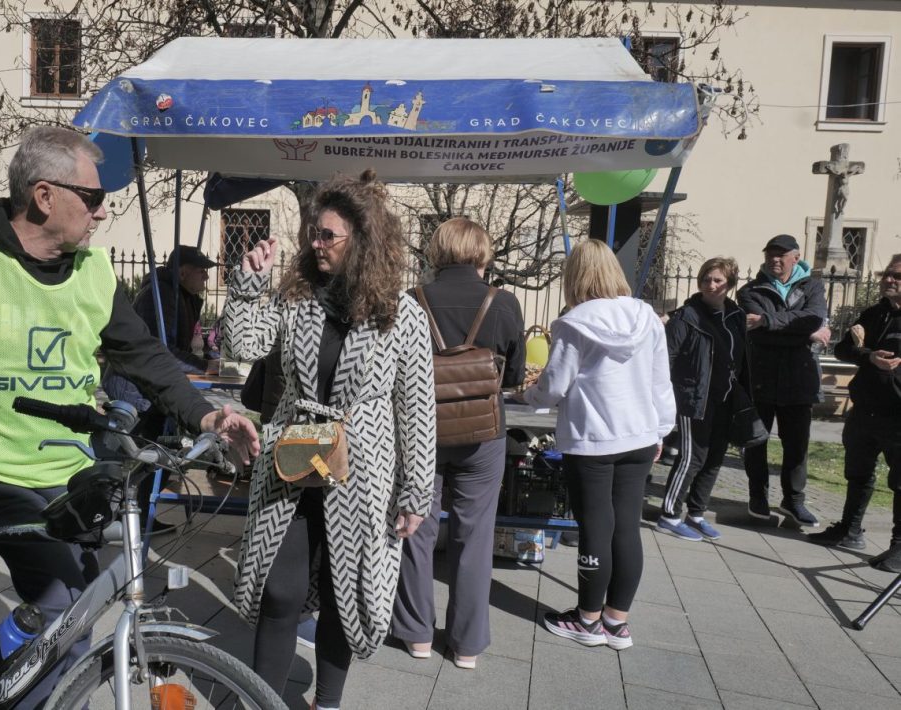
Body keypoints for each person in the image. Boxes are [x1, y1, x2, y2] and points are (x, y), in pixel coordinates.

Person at [0, 126, 258, 710]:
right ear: (45, 195)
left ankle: (7, 650)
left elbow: (143, 355)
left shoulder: (93, 270)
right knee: (66, 611)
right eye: (95, 197)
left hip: (75, 469)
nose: (104, 212)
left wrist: (205, 417)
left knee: (76, 606)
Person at [222, 170, 436, 710]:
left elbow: (415, 410)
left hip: (362, 472)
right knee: (280, 591)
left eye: (328, 236)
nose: (315, 244)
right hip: (293, 457)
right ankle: (263, 700)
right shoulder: (296, 298)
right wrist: (248, 283)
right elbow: (244, 342)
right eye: (312, 233)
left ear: (362, 240)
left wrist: (415, 493)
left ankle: (329, 701)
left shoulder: (399, 313)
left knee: (346, 594)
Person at [522, 239, 675, 650]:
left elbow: (554, 385)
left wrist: (529, 396)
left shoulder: (573, 323)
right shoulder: (647, 317)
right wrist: (662, 430)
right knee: (627, 527)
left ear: (576, 277)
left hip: (593, 440)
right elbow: (662, 381)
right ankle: (616, 621)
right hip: (640, 435)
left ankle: (587, 619)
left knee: (595, 526)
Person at [391, 217, 526, 670]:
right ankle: (467, 645)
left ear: (437, 251)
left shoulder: (412, 300)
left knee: (415, 528)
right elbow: (511, 373)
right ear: (482, 253)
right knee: (475, 534)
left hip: (420, 429)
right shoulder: (503, 303)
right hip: (483, 432)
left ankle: (416, 634)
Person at [809, 254, 901, 569]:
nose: (889, 280)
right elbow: (843, 348)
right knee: (858, 472)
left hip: (897, 414)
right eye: (888, 274)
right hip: (866, 409)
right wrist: (867, 355)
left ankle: (899, 547)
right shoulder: (876, 313)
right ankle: (850, 529)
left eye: (897, 276)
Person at [737, 234, 830, 528]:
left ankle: (794, 501)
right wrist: (803, 333)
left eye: (781, 254)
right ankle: (758, 496)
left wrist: (770, 321)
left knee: (797, 445)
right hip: (761, 377)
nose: (775, 259)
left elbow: (813, 318)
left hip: (800, 378)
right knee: (756, 441)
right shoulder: (750, 290)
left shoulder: (813, 286)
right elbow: (757, 332)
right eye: (770, 254)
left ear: (796, 256)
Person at [658, 257, 749, 542]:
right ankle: (669, 515)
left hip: (725, 398)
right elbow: (665, 358)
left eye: (718, 280)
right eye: (706, 279)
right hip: (693, 398)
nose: (711, 285)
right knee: (692, 457)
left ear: (730, 285)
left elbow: (741, 356)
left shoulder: (736, 316)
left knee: (714, 457)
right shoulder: (686, 316)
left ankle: (696, 513)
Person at [103, 244, 220, 439]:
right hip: (136, 390)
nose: (206, 277)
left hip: (147, 388)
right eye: (201, 271)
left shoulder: (182, 296)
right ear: (182, 274)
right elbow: (161, 350)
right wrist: (204, 366)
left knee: (158, 449)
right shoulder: (160, 295)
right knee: (143, 452)